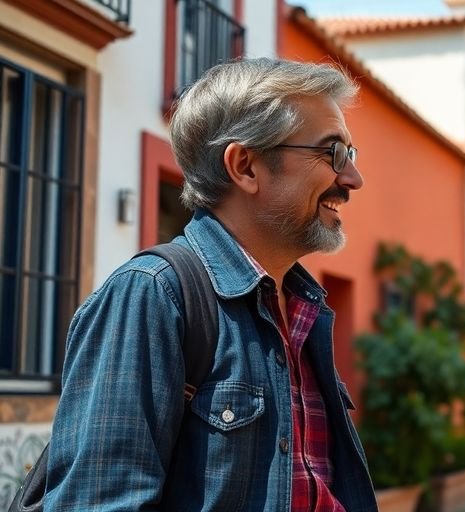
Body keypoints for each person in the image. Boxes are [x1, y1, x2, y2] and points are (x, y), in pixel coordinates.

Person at [43, 58, 377, 511]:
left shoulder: (301, 309)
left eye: (351, 157)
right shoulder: (152, 295)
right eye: (332, 152)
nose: (352, 179)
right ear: (245, 166)